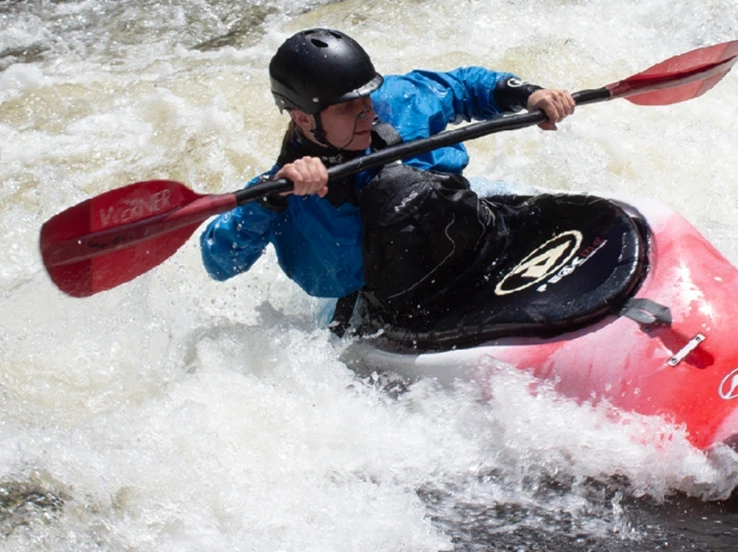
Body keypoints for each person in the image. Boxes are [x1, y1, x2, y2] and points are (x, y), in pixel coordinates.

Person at [200, 28, 575, 330]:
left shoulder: (396, 102)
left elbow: (463, 88)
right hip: (391, 306)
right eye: (348, 107)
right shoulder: (282, 189)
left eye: (367, 98)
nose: (367, 113)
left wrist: (527, 94)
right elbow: (219, 261)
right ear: (303, 119)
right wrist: (272, 201)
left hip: (469, 227)